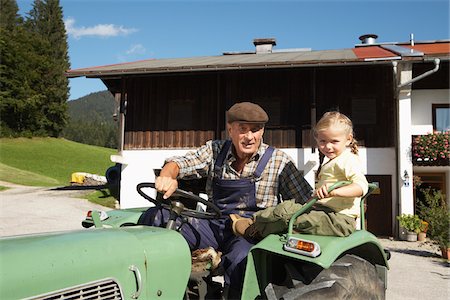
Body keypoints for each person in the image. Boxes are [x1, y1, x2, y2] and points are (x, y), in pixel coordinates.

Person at [141, 101, 312, 298]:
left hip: (250, 232)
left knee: (241, 259)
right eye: (243, 129)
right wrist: (167, 175)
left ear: (262, 131)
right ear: (230, 130)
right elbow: (182, 162)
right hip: (214, 226)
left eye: (255, 130)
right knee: (157, 217)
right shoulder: (215, 150)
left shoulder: (279, 161)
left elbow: (305, 201)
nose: (249, 137)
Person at [232, 111, 369, 240]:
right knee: (287, 207)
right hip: (323, 211)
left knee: (293, 218)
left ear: (348, 139)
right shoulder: (332, 161)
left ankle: (253, 230)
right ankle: (252, 222)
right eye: (322, 141)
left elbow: (361, 187)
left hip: (340, 220)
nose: (327, 147)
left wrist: (334, 191)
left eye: (334, 142)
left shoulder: (348, 160)